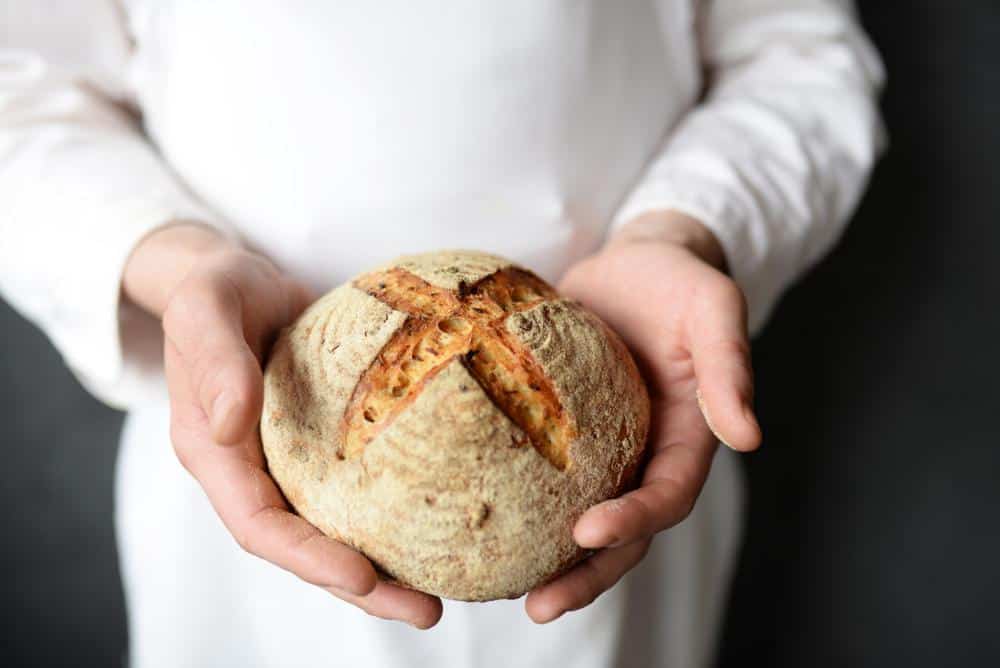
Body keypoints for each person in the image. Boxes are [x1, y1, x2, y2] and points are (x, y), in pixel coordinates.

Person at [0, 2, 885, 666]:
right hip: (236, 448)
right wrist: (175, 263)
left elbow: (798, 54)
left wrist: (685, 227)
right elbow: (19, 92)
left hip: (631, 428)